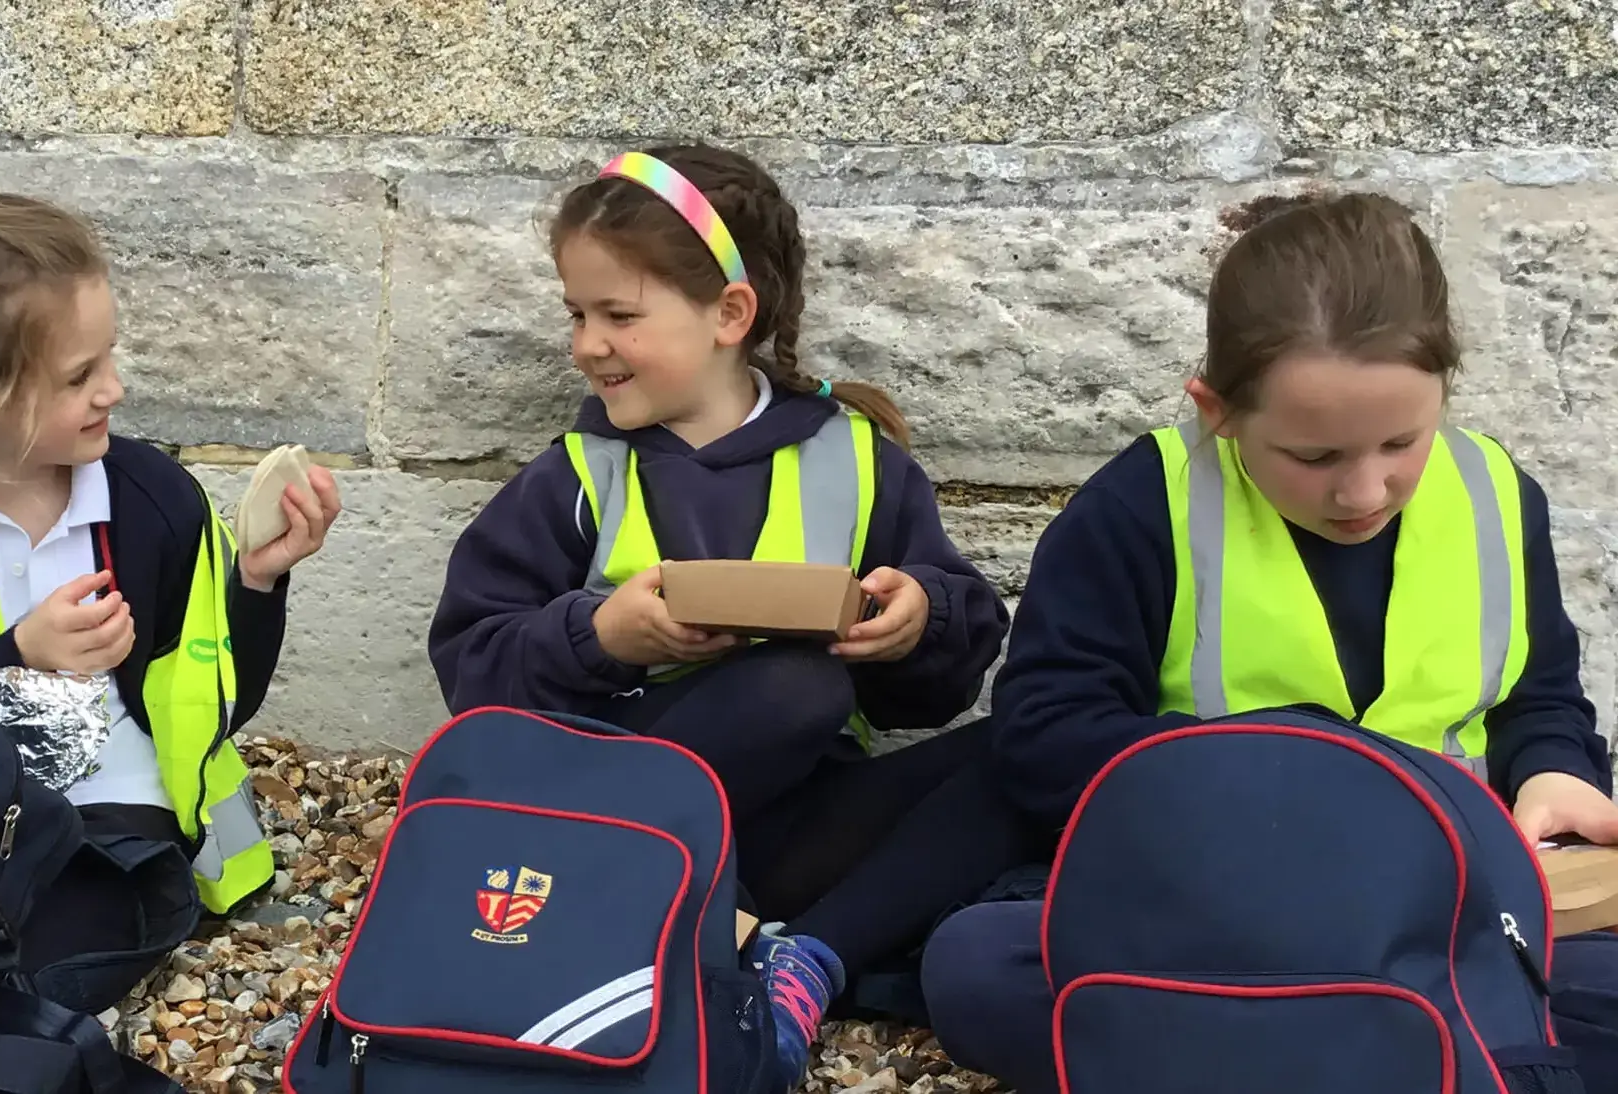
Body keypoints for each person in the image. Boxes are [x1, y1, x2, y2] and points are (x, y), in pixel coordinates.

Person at [918, 190, 1618, 1091]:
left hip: (1442, 915)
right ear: (1217, 409)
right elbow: (1046, 736)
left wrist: (1557, 770)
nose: (1364, 491)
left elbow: (1541, 696)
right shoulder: (1139, 507)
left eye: (1402, 441)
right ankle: (1433, 1053)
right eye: (1315, 458)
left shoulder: (1495, 493)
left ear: (1448, 385)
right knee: (979, 965)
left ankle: (1293, 1049)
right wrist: (1311, 773)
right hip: (1214, 904)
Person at [426, 143, 1026, 1092]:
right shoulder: (576, 476)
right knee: (793, 687)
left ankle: (800, 959)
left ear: (730, 316)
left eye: (619, 314)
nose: (587, 343)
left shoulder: (860, 460)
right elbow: (472, 669)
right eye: (577, 314)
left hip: (792, 829)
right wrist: (600, 637)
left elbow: (945, 672)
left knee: (1025, 752)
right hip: (614, 816)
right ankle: (698, 929)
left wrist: (919, 622)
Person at [0, 193, 338, 1013]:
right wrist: (19, 655)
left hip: (117, 796)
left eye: (109, 357)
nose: (115, 388)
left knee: (98, 902)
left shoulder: (155, 500)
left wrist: (257, 579)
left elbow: (218, 701)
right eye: (79, 376)